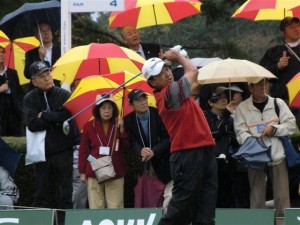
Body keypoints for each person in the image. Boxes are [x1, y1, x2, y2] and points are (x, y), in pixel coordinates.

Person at [142, 50, 217, 225]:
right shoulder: (169, 94)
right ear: (152, 82)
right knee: (179, 211)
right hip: (187, 155)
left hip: (205, 150)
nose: (167, 74)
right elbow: (193, 71)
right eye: (160, 74)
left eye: (167, 69)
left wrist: (178, 58)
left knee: (206, 211)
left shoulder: (175, 89)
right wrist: (179, 57)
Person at [234, 77, 297, 217]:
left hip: (278, 156)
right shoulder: (242, 108)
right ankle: (258, 222)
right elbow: (240, 132)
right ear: (250, 88)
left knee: (282, 198)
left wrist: (274, 129)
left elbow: (291, 126)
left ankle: (283, 222)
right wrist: (252, 141)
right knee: (256, 197)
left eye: (265, 84)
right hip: (255, 158)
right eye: (259, 84)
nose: (263, 87)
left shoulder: (278, 103)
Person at [23, 61, 74, 209]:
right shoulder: (29, 98)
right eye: (42, 76)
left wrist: (44, 116)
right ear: (34, 81)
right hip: (41, 155)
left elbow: (66, 116)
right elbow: (32, 124)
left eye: (48, 74)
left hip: (63, 152)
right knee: (41, 195)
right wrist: (55, 119)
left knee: (65, 195)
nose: (47, 78)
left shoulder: (64, 94)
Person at [124, 89, 172, 213]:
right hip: (143, 167)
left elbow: (167, 138)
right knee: (145, 199)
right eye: (138, 100)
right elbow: (132, 142)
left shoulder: (158, 114)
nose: (143, 102)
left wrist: (154, 151)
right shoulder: (128, 120)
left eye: (144, 98)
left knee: (166, 197)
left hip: (163, 164)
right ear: (131, 105)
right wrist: (140, 150)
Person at [78, 94, 128, 209]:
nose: (107, 111)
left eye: (110, 107)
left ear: (114, 109)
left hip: (115, 170)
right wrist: (82, 172)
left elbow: (126, 146)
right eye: (103, 108)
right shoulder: (89, 126)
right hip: (94, 170)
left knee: (116, 206)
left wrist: (122, 131)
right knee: (95, 206)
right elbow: (84, 150)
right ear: (97, 110)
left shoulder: (119, 124)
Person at [259, 17, 300, 120]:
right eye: (291, 27)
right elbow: (262, 74)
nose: (296, 29)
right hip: (282, 101)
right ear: (283, 33)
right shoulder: (273, 52)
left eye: (298, 26)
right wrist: (277, 66)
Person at [204, 86, 238, 208]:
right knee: (213, 196)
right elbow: (213, 132)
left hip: (228, 162)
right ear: (210, 102)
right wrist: (226, 115)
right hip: (211, 162)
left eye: (225, 97)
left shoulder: (229, 118)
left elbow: (234, 139)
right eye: (219, 98)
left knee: (228, 196)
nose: (224, 100)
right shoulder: (204, 116)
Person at [24, 22, 61, 91]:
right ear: (36, 35)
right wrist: (39, 58)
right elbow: (27, 74)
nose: (46, 33)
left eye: (48, 30)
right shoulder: (31, 53)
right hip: (38, 92)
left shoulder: (61, 51)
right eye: (42, 31)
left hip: (57, 90)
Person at [70, 79, 88, 209]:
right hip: (72, 157)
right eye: (77, 87)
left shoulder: (94, 109)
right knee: (77, 195)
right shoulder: (68, 110)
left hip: (92, 159)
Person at [0, 46, 24, 137]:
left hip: (14, 113)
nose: (1, 54)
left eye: (3, 52)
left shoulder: (12, 73)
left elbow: (19, 92)